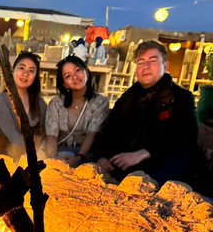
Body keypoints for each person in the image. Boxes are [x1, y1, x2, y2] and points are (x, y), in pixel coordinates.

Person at [97, 40, 201, 187]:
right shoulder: (127, 98)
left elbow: (187, 138)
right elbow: (109, 132)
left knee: (177, 160)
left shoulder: (180, 97)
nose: (145, 67)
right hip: (127, 164)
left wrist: (143, 153)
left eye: (152, 61)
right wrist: (103, 157)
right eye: (140, 62)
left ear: (165, 66)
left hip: (163, 164)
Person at [45, 55, 109, 167]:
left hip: (86, 153)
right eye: (68, 76)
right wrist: (53, 159)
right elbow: (52, 136)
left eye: (78, 70)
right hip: (59, 149)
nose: (74, 77)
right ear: (64, 84)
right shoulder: (56, 103)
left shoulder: (100, 102)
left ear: (87, 73)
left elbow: (92, 134)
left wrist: (79, 157)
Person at [0, 51, 47, 161]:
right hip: (7, 159)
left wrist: (41, 150)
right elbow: (12, 135)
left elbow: (45, 134)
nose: (25, 74)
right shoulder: (2, 100)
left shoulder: (40, 104)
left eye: (31, 71)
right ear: (13, 70)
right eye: (21, 68)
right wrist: (32, 152)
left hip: (34, 160)